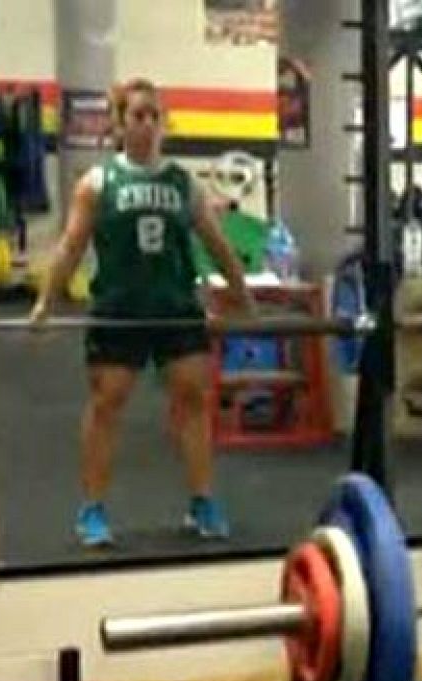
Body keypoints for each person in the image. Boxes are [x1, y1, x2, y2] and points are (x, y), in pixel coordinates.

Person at [30, 78, 254, 548]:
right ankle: (92, 511)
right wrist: (44, 304)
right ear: (119, 123)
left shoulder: (183, 183)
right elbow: (71, 246)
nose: (149, 124)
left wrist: (242, 295)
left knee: (193, 402)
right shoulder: (98, 183)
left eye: (156, 116)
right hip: (120, 310)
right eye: (138, 115)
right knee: (107, 405)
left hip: (176, 308)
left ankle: (202, 501)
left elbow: (217, 243)